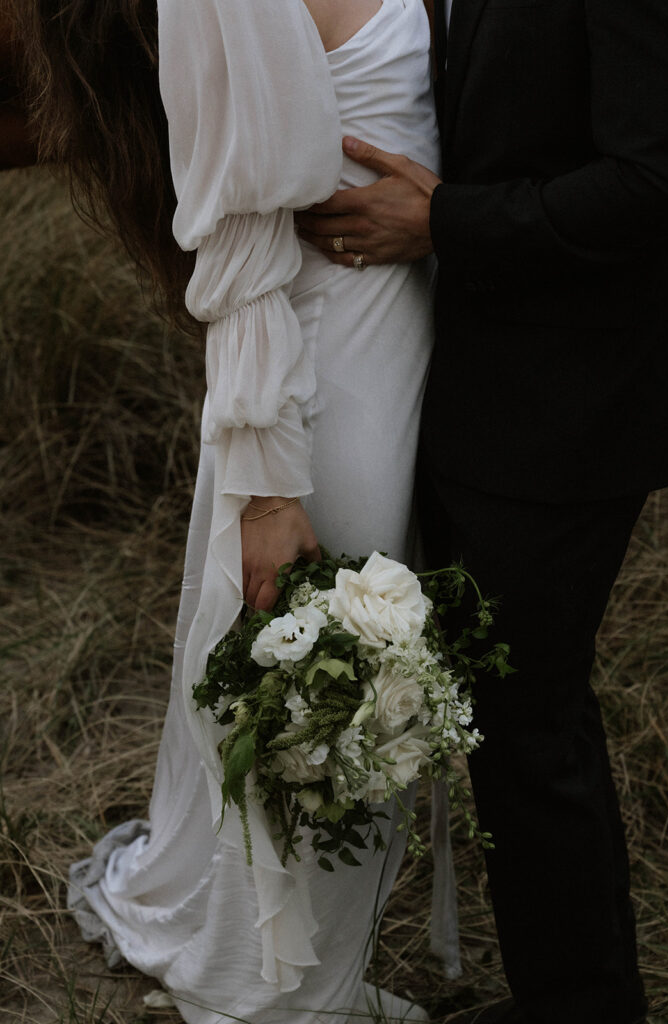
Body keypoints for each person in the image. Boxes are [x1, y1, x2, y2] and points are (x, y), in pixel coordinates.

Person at [15, 1, 459, 1022]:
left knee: (362, 665)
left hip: (418, 332)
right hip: (320, 371)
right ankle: (273, 991)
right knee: (325, 668)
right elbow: (237, 240)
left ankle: (308, 963)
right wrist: (267, 485)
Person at [295, 0, 668, 1021]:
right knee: (526, 716)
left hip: (571, 401)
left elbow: (653, 178)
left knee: (525, 723)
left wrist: (442, 222)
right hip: (475, 380)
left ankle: (578, 1002)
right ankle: (581, 992)